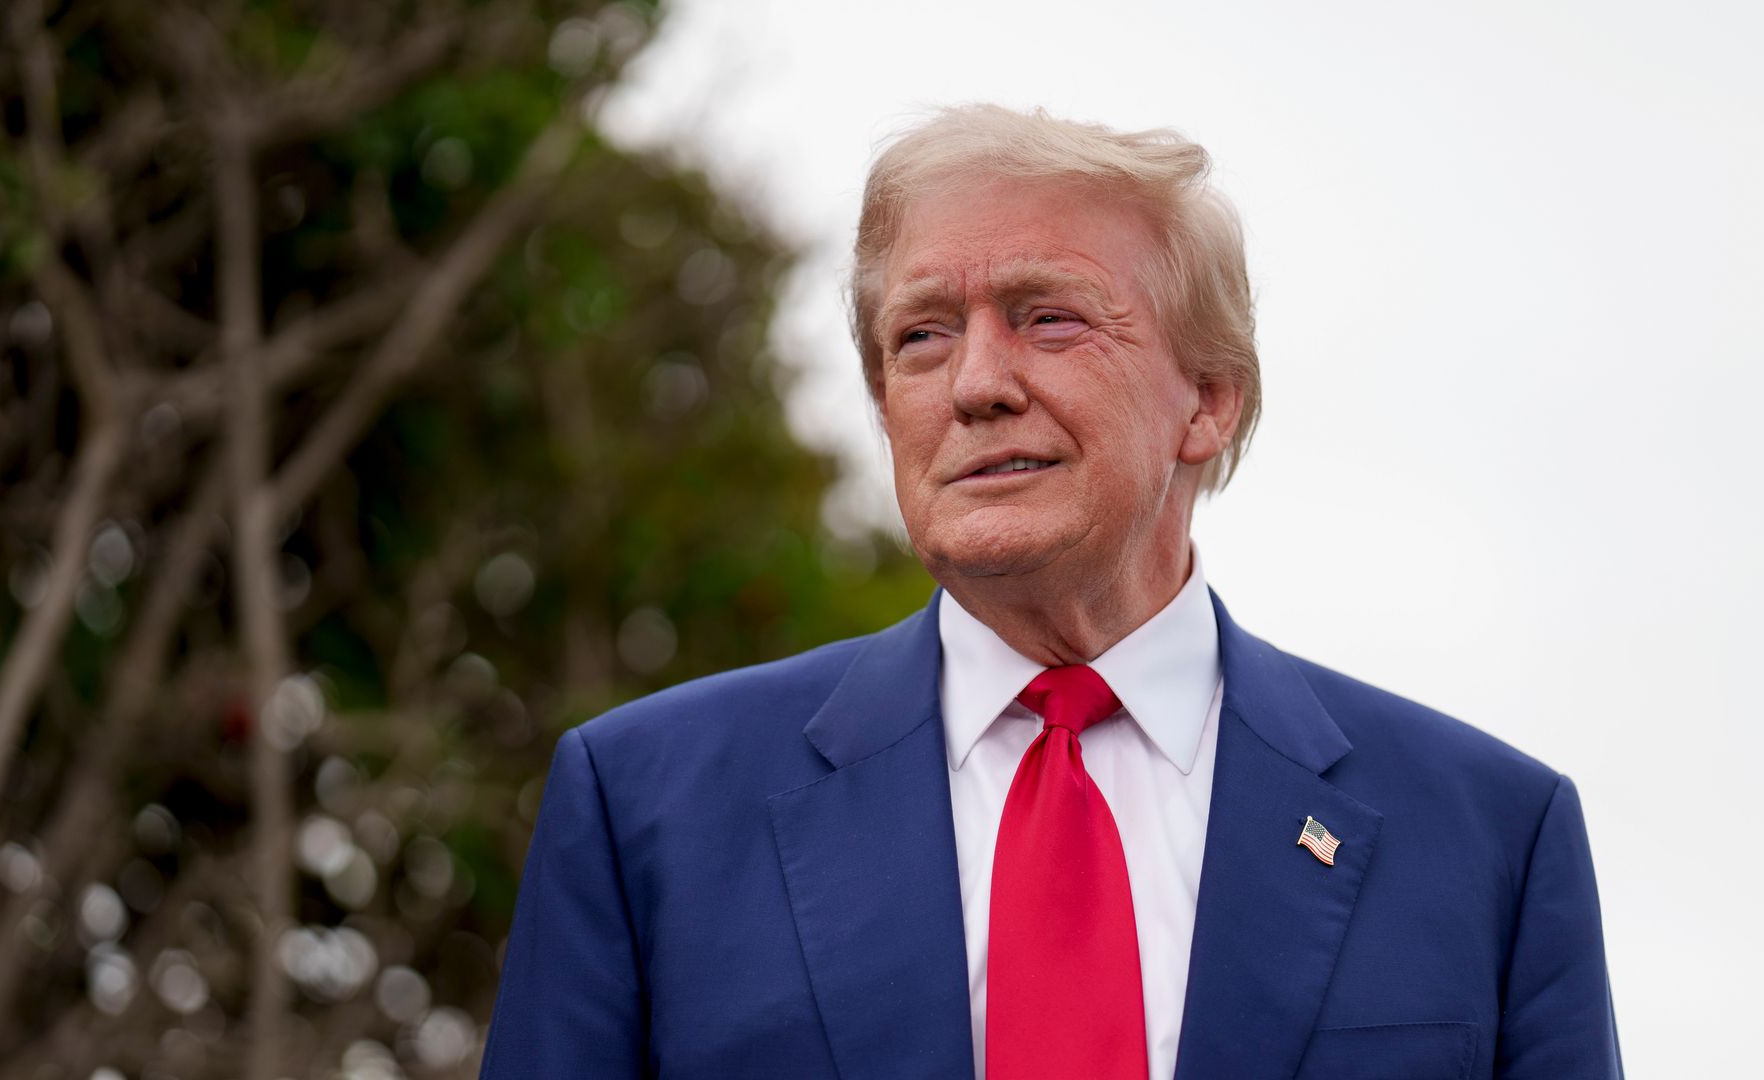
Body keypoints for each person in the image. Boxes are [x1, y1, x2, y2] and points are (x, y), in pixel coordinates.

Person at [478, 105, 1623, 1080]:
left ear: (1208, 399)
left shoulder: (1490, 840)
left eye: (1049, 317)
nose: (975, 384)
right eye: (920, 338)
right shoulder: (645, 811)